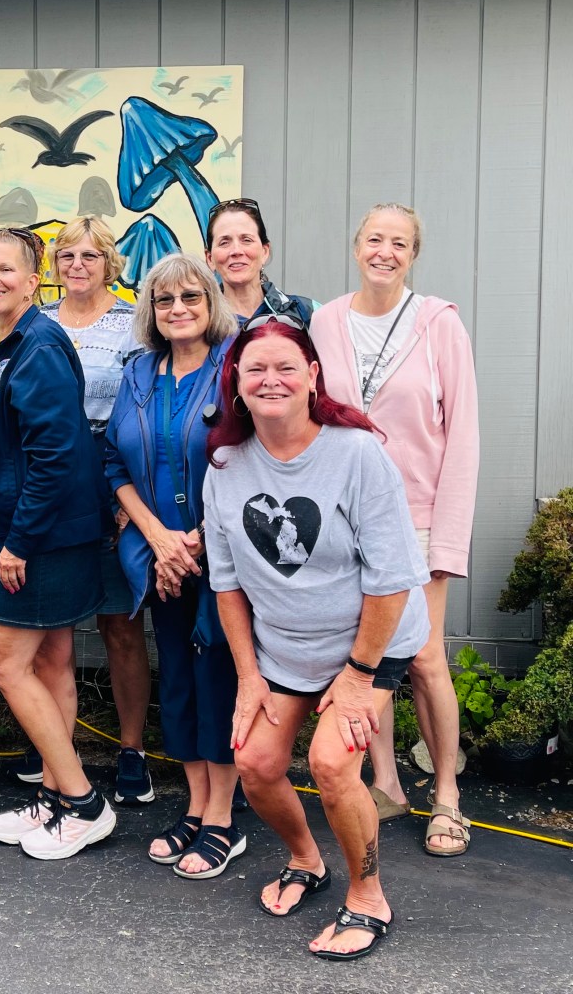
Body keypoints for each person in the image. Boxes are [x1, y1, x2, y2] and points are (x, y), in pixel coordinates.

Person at [204, 316, 431, 961]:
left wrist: (359, 676)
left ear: (312, 377)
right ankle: (307, 858)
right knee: (255, 763)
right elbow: (227, 587)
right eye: (255, 370)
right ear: (237, 386)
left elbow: (391, 582)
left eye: (285, 367)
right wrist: (249, 676)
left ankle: (367, 895)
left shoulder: (356, 454)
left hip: (371, 644)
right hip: (284, 647)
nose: (270, 379)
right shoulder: (224, 467)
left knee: (332, 763)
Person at [311, 203, 479, 857]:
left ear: (413, 254)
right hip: (348, 515)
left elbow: (461, 434)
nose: (386, 250)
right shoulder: (326, 321)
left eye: (400, 242)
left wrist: (449, 538)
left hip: (418, 519)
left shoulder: (437, 324)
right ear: (357, 246)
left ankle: (447, 796)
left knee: (427, 660)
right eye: (375, 238)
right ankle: (385, 783)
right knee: (366, 657)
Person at [0, 226, 116, 860]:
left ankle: (84, 802)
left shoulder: (40, 348)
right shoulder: (17, 344)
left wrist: (18, 541)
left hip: (43, 539)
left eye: (7, 269)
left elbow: (54, 456)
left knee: (5, 661)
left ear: (35, 281)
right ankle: (57, 796)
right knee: (51, 662)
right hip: (48, 534)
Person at [104, 254, 245, 878]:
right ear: (151, 311)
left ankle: (223, 818)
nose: (178, 309)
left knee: (218, 675)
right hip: (158, 555)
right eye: (165, 301)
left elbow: (250, 459)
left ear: (211, 304)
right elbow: (115, 464)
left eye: (191, 296)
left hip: (222, 557)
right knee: (179, 679)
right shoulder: (139, 373)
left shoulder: (233, 368)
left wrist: (195, 543)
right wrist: (161, 541)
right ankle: (194, 803)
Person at [34, 217, 152, 805]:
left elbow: (137, 413)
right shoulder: (40, 323)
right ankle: (58, 747)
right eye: (67, 256)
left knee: (119, 626)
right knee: (51, 631)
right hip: (51, 492)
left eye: (91, 255)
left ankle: (131, 749)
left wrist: (130, 496)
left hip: (111, 489)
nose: (78, 265)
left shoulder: (131, 323)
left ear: (111, 262)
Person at [205, 197, 316, 326]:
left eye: (246, 240)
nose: (236, 251)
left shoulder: (307, 313)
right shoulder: (201, 323)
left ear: (264, 252)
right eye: (224, 242)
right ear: (210, 258)